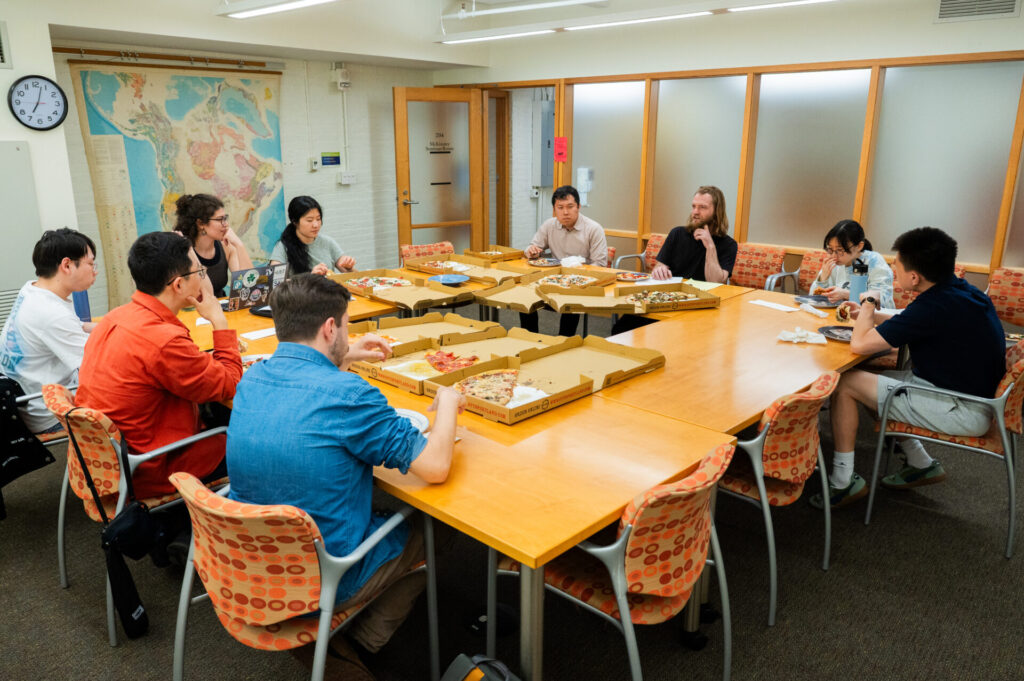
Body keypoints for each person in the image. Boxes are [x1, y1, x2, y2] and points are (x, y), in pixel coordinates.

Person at [226, 273, 465, 666]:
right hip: (324, 577)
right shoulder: (350, 395)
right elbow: (436, 466)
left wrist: (345, 355)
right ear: (329, 328)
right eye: (346, 327)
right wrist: (450, 400)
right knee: (436, 523)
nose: (348, 335)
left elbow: (307, 393)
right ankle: (363, 642)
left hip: (249, 562)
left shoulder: (251, 378)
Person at [811, 227, 1004, 509]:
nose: (893, 269)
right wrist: (870, 314)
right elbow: (910, 319)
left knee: (846, 383)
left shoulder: (934, 306)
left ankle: (842, 482)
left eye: (897, 265)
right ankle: (920, 462)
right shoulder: (958, 292)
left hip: (962, 408)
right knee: (879, 381)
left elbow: (860, 345)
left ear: (914, 277)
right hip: (972, 396)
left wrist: (868, 302)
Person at [76, 231, 241, 499]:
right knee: (257, 443)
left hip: (112, 461)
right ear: (178, 285)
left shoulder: (115, 317)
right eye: (199, 271)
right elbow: (231, 384)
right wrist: (219, 323)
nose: (202, 277)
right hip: (155, 465)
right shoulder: (164, 340)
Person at [0, 228, 97, 434]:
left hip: (29, 398)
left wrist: (113, 325)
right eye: (90, 263)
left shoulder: (33, 290)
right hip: (50, 414)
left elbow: (75, 326)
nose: (94, 271)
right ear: (67, 265)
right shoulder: (51, 313)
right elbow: (97, 364)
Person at [521, 185, 608, 336]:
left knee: (571, 300)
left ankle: (564, 341)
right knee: (525, 295)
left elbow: (599, 265)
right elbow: (531, 247)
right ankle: (531, 338)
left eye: (570, 206)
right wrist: (532, 252)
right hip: (554, 279)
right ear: (554, 209)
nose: (565, 212)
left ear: (578, 207)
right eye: (560, 207)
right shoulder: (549, 225)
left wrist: (578, 277)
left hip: (581, 282)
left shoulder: (594, 229)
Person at [651, 185, 737, 283]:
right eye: (694, 206)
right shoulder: (677, 233)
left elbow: (715, 282)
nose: (695, 212)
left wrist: (710, 246)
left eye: (702, 207)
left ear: (717, 212)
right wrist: (659, 270)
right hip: (674, 290)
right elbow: (659, 266)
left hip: (705, 292)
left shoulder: (729, 244)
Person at [173, 193, 253, 297]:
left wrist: (239, 245)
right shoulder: (183, 252)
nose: (226, 224)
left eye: (225, 218)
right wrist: (191, 254)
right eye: (220, 219)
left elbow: (249, 288)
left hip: (221, 305)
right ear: (201, 223)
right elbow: (201, 294)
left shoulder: (226, 247)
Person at [812, 218, 894, 308]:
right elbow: (813, 298)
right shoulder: (833, 263)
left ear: (859, 246)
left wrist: (847, 294)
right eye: (830, 249)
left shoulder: (874, 261)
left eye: (840, 250)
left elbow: (882, 302)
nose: (834, 256)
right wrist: (822, 279)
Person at [270, 195, 356, 276]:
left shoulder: (328, 242)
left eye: (318, 219)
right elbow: (274, 283)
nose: (316, 225)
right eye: (309, 220)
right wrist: (310, 277)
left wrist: (349, 268)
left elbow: (354, 277)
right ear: (295, 222)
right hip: (302, 288)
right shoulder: (282, 247)